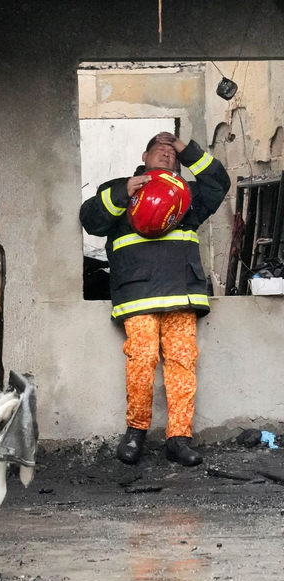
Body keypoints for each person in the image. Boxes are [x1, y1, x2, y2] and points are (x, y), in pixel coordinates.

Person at [80, 132, 230, 466]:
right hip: (138, 294)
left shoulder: (187, 194)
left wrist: (186, 149)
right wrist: (123, 193)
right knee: (141, 361)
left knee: (182, 367)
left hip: (180, 291)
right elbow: (90, 219)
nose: (166, 155)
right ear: (144, 156)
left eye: (171, 153)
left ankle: (179, 439)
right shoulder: (122, 187)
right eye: (159, 150)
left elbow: (218, 182)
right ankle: (135, 434)